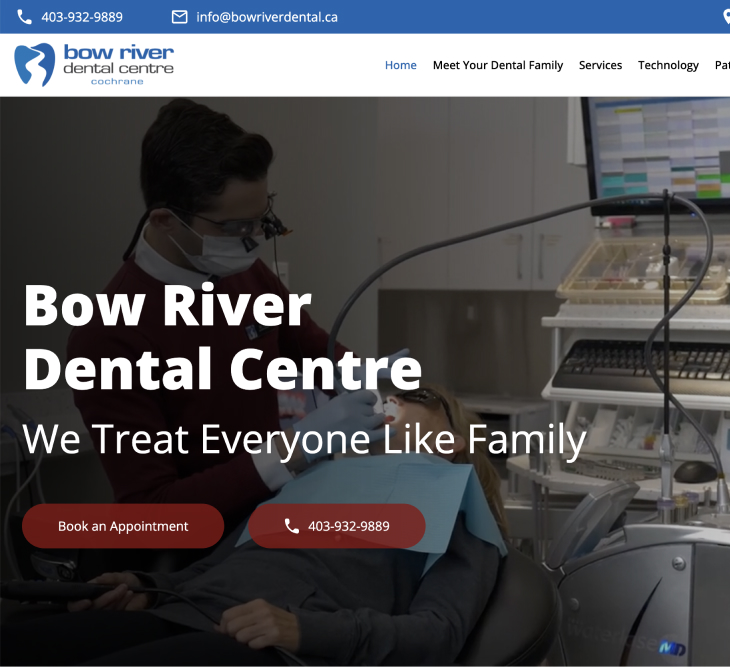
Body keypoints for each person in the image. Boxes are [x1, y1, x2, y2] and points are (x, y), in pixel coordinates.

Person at [67, 99, 405, 531]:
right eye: (236, 228)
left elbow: (306, 343)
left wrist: (351, 368)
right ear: (166, 220)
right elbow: (150, 512)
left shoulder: (243, 272)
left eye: (261, 218)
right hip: (203, 560)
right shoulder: (108, 337)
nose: (254, 241)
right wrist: (290, 452)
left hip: (276, 521)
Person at [1, 388, 507, 666]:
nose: (378, 415)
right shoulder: (317, 482)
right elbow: (213, 571)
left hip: (268, 645)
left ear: (454, 444)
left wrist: (304, 629)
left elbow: (436, 636)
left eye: (402, 405)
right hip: (187, 611)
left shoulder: (458, 512)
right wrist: (146, 588)